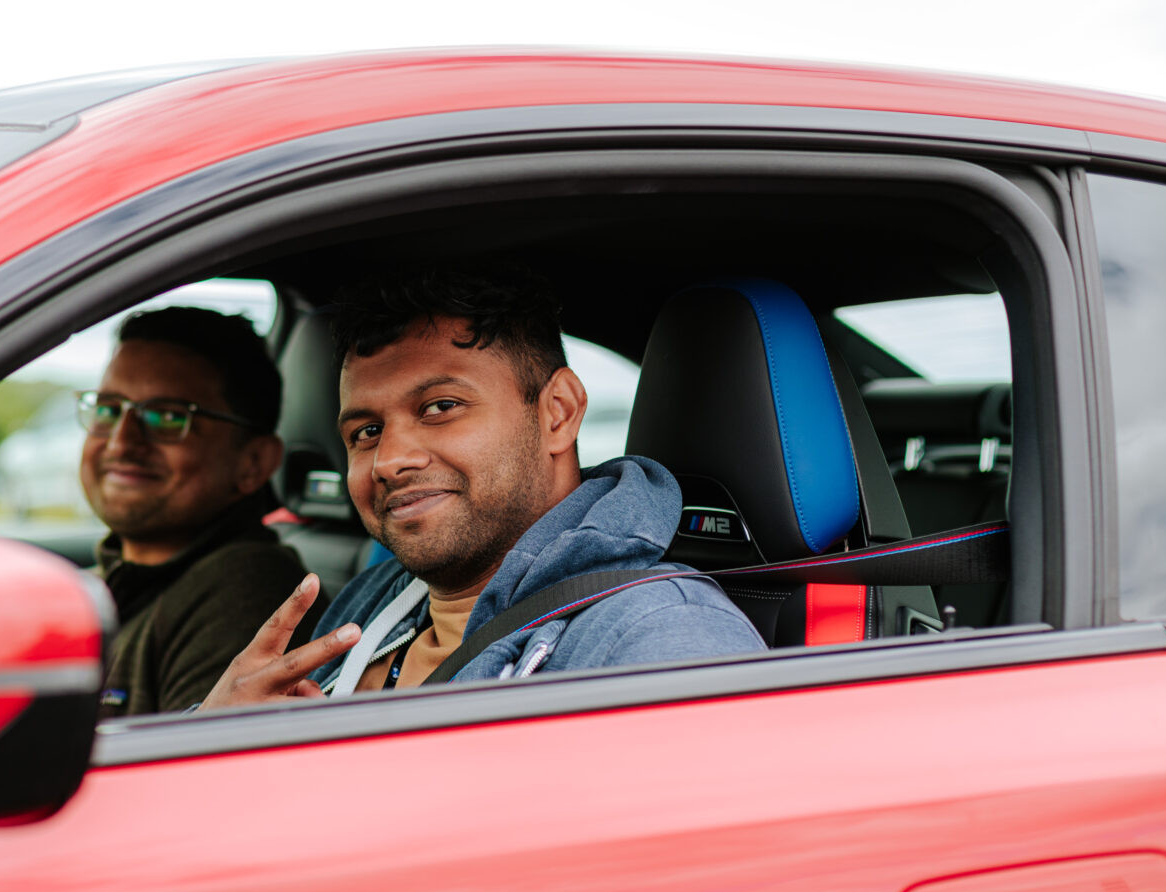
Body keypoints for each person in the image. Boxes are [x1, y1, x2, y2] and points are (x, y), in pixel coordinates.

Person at [199, 262, 764, 709]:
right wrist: (216, 734)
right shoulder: (376, 599)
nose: (390, 461)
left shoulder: (657, 641)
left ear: (558, 413)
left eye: (441, 407)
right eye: (367, 431)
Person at [82, 306, 316, 716]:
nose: (121, 442)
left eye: (168, 417)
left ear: (253, 463)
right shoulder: (117, 579)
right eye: (108, 409)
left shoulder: (244, 588)